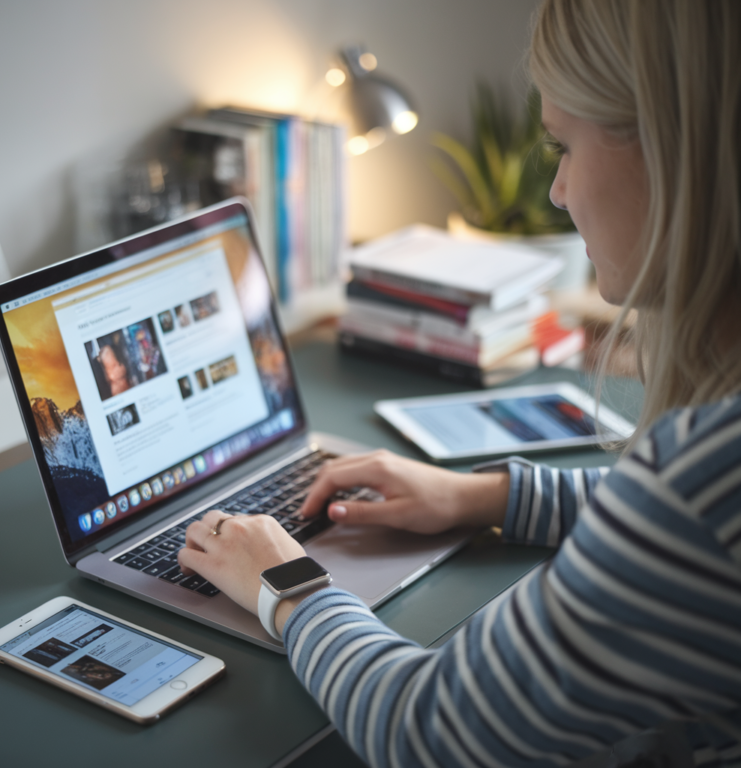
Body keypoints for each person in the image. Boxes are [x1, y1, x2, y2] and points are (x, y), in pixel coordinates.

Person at [178, 1, 741, 765]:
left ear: (673, 153)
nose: (559, 191)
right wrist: (483, 496)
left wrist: (289, 584)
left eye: (563, 146)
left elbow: (430, 730)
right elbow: (680, 525)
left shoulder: (702, 474)